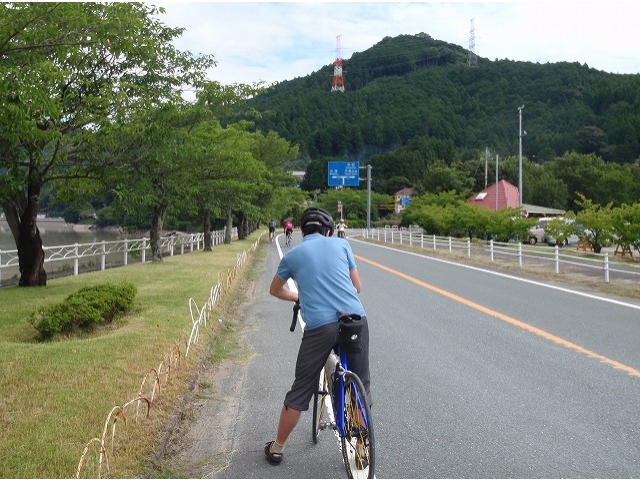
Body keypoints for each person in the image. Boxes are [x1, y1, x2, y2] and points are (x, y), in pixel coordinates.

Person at [265, 207, 371, 466]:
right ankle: (362, 447)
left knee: (301, 389)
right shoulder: (341, 245)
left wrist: (299, 296)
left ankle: (277, 448)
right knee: (361, 385)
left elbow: (275, 290)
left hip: (319, 328)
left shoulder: (294, 254)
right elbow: (357, 287)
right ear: (328, 231)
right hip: (355, 320)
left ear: (301, 231)